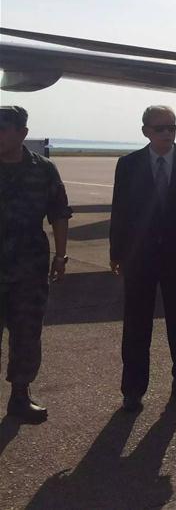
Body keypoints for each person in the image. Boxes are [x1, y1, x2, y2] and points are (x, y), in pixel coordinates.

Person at [110, 105, 176, 412]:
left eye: (172, 127)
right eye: (160, 128)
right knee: (136, 324)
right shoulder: (128, 165)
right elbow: (120, 211)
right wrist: (117, 251)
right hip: (139, 257)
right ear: (145, 131)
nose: (167, 133)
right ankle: (133, 389)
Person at [0, 106, 71, 423]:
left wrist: (61, 255)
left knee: (27, 333)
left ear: (22, 133)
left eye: (4, 128)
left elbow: (58, 213)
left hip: (29, 265)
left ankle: (20, 396)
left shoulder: (43, 169)